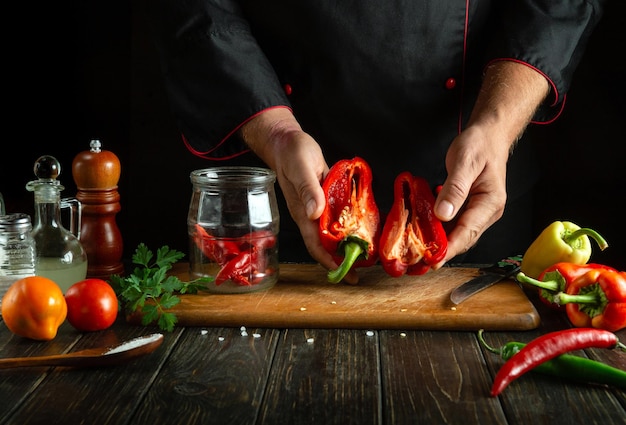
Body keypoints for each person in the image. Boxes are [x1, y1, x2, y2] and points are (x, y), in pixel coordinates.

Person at [148, 1, 606, 282]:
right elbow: (197, 8)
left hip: (475, 193)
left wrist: (498, 123)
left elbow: (556, 6)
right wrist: (279, 132)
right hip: (286, 197)